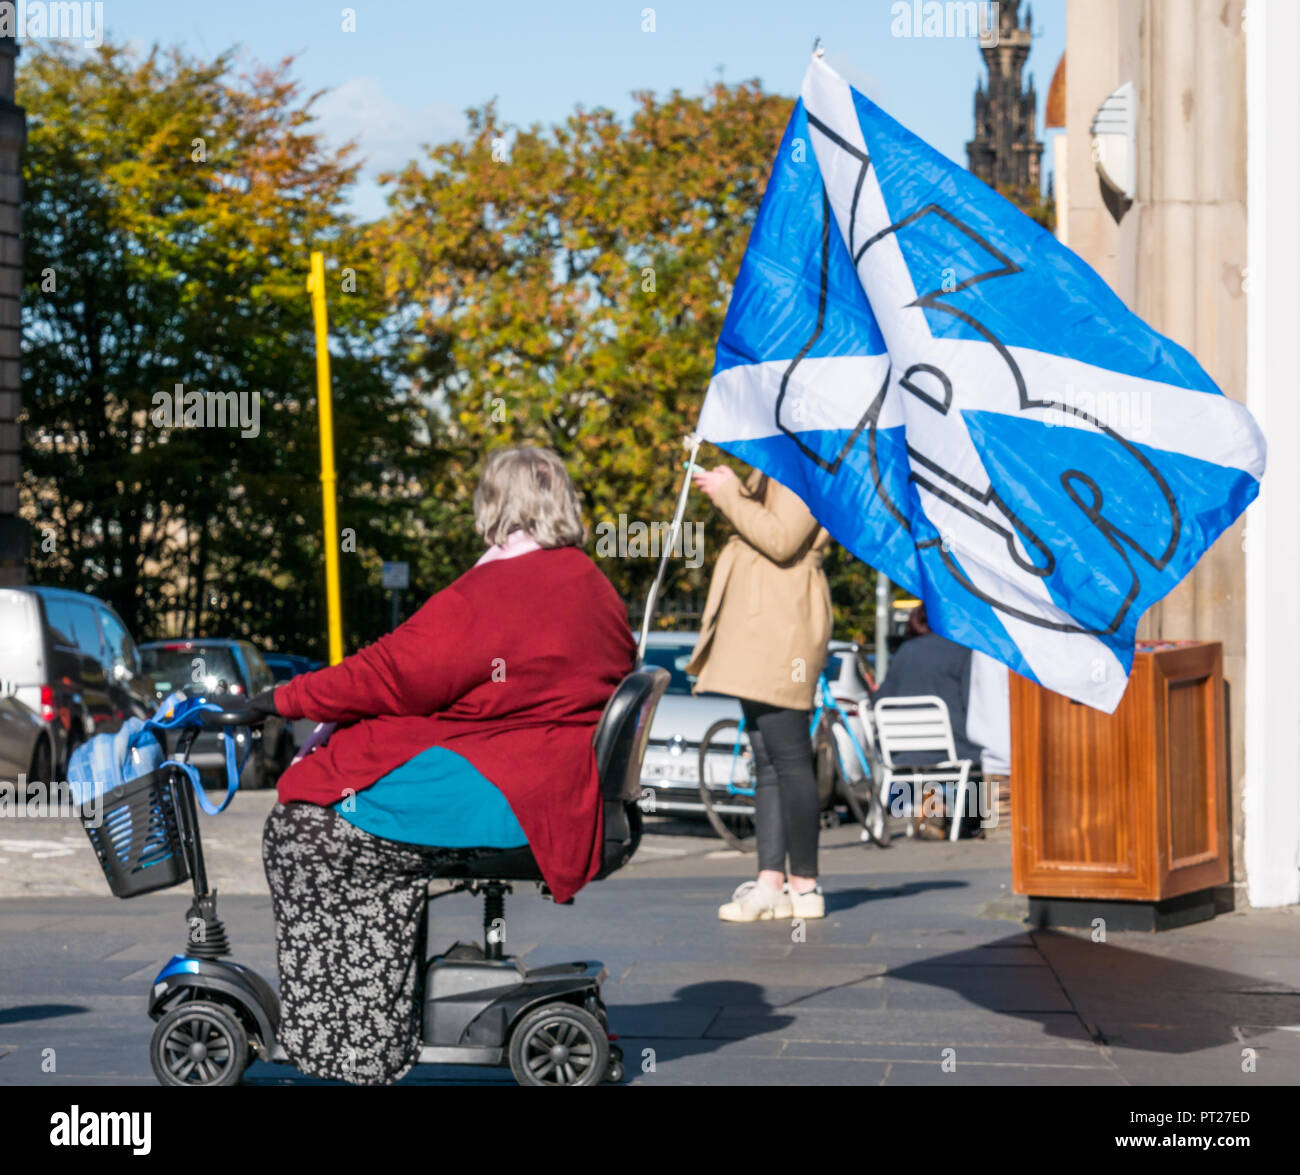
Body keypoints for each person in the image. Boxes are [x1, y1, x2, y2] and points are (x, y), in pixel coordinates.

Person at [249, 446, 635, 1085]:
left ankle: (356, 1043)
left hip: (512, 786)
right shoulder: (591, 583)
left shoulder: (501, 587)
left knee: (307, 830)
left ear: (494, 506)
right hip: (556, 783)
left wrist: (281, 698)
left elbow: (395, 673)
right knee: (355, 790)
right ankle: (380, 1016)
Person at [686, 463, 832, 923]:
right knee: (767, 757)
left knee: (787, 755)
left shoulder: (804, 459)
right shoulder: (776, 460)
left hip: (783, 621)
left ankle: (804, 886)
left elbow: (782, 538)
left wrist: (730, 492)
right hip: (766, 621)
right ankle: (771, 882)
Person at [873, 604, 983, 837]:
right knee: (988, 752)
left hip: (903, 749)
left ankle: (935, 802)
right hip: (951, 747)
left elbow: (879, 701)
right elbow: (973, 702)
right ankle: (977, 822)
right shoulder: (963, 650)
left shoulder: (903, 653)